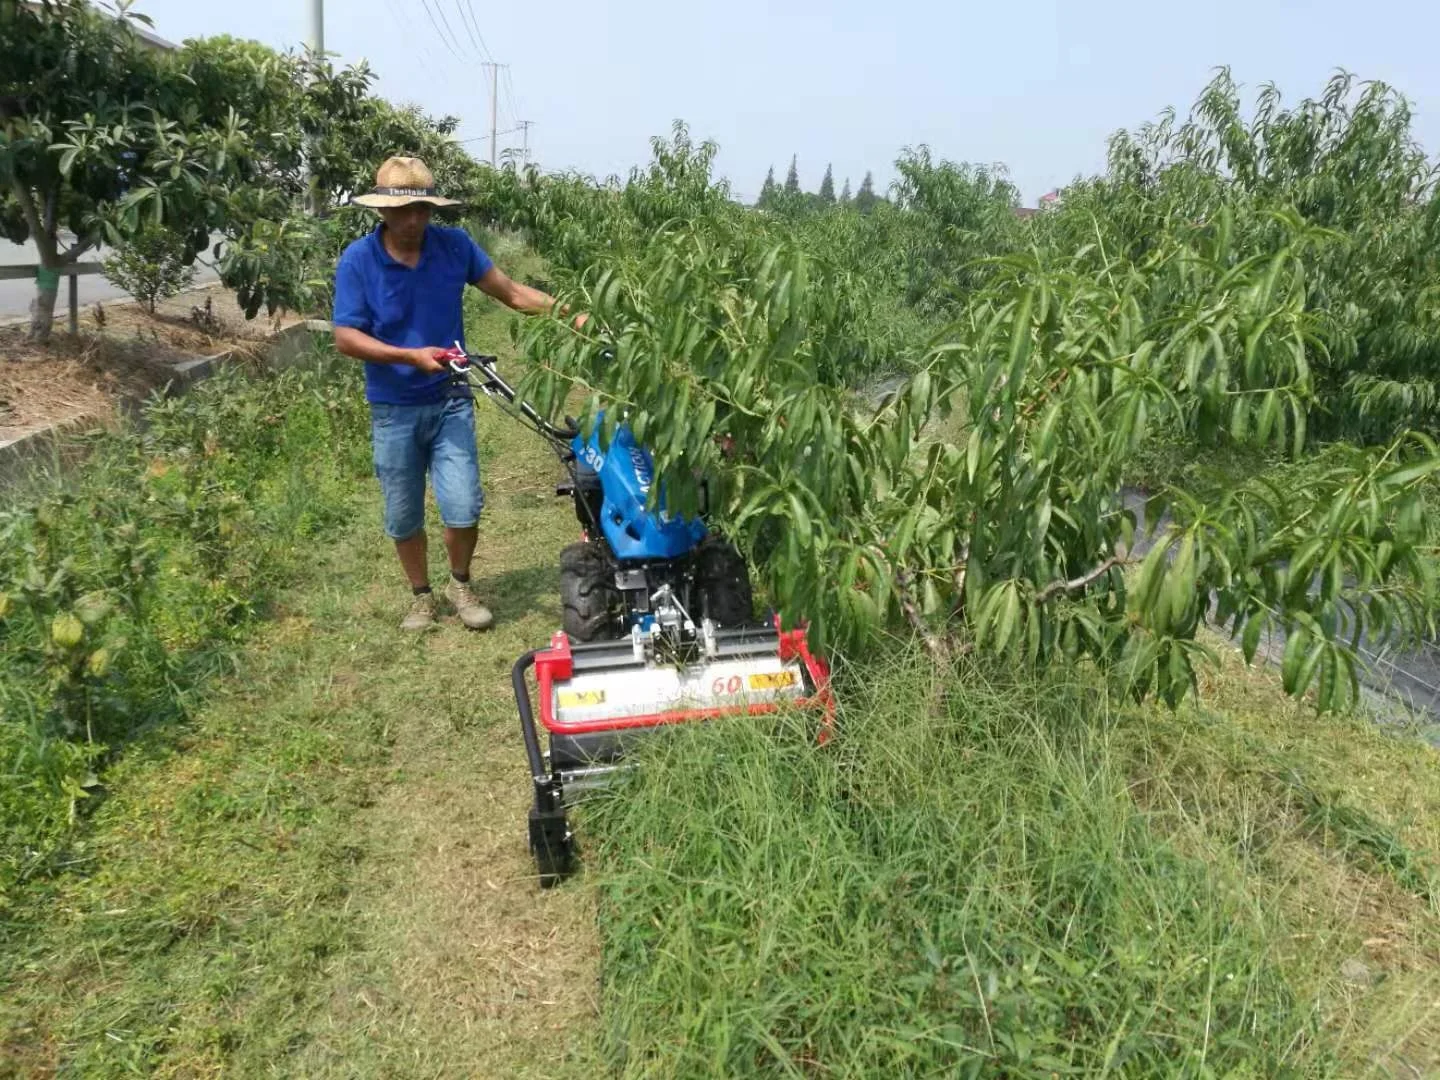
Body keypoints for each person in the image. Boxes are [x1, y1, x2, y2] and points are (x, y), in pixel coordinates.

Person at [333, 155, 581, 632]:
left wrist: (573, 315)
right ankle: (421, 596)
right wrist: (410, 356)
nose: (414, 220)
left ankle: (461, 583)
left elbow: (511, 293)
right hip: (394, 406)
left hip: (450, 397)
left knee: (464, 504)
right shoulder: (359, 260)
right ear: (382, 211)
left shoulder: (454, 247)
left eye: (423, 209)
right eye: (404, 211)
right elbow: (347, 338)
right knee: (403, 512)